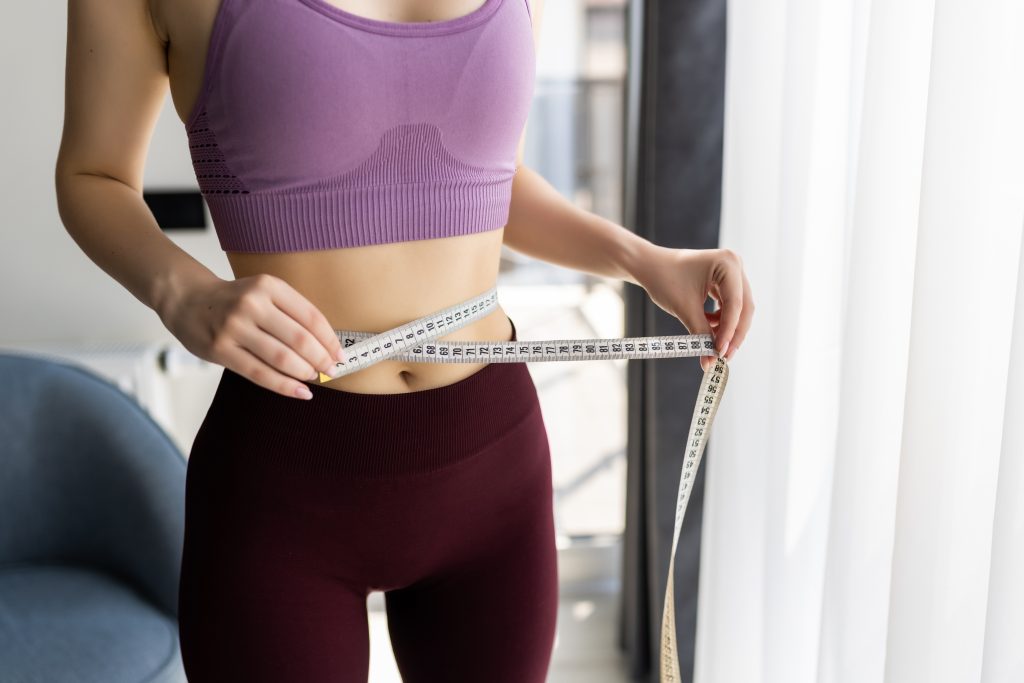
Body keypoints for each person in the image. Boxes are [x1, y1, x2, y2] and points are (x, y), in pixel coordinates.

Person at [54, 0, 754, 680]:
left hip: (493, 472)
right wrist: (185, 292)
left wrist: (648, 262)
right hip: (286, 477)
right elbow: (94, 175)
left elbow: (484, 180)